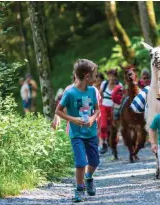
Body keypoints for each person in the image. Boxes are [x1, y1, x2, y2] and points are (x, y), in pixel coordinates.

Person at [55, 59, 100, 202]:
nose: (96, 78)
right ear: (87, 76)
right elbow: (58, 111)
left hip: (91, 133)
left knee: (95, 161)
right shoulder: (70, 93)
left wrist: (93, 118)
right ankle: (79, 189)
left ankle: (88, 178)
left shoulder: (93, 91)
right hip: (76, 134)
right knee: (80, 162)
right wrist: (73, 119)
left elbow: (98, 109)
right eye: (95, 75)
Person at [99, 69, 122, 154]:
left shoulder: (119, 85)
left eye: (113, 76)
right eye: (110, 76)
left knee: (114, 128)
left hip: (115, 108)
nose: (111, 78)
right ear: (107, 77)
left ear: (116, 77)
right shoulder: (104, 84)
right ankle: (104, 143)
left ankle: (113, 146)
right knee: (103, 126)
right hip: (104, 107)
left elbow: (121, 98)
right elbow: (100, 94)